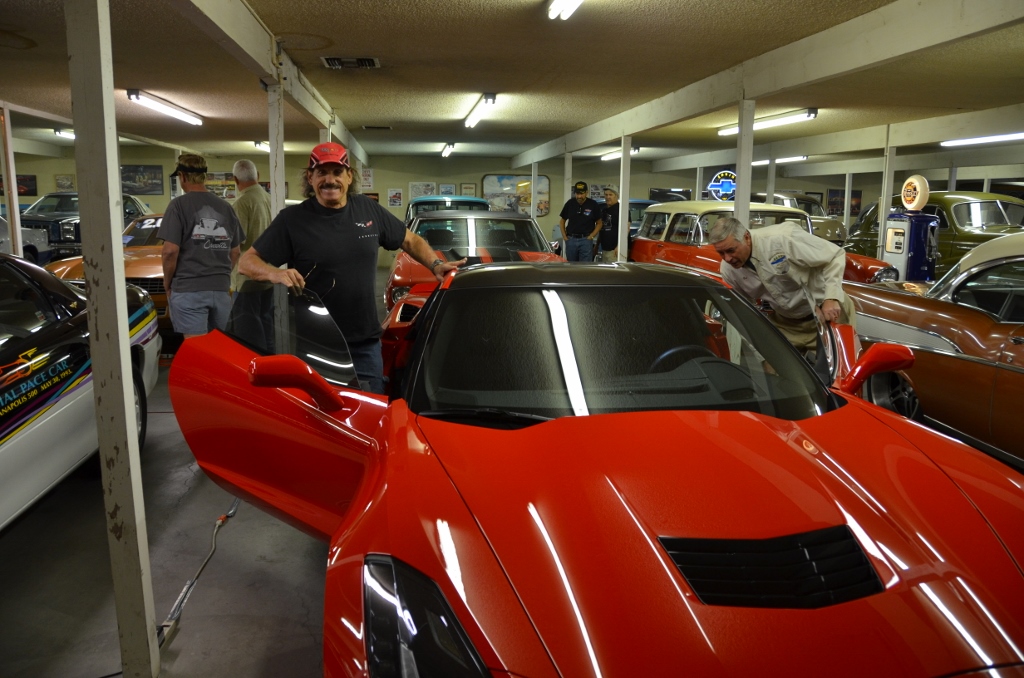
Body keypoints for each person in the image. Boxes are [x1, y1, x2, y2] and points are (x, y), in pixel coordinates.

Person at [238, 142, 464, 394]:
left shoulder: (368, 209)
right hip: (315, 345)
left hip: (364, 344)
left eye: (337, 172)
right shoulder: (292, 220)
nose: (330, 180)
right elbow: (246, 262)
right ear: (310, 178)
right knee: (317, 411)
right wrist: (275, 273)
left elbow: (410, 240)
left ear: (349, 176)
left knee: (370, 408)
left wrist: (435, 264)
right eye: (322, 173)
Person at [708, 216, 855, 354]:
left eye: (731, 250)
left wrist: (831, 298)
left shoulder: (783, 238)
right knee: (774, 369)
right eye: (721, 253)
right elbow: (744, 309)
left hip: (827, 314)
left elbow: (835, 255)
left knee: (840, 370)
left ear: (746, 238)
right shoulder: (728, 270)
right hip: (786, 323)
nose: (727, 258)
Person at [158, 153, 242, 338]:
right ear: (204, 176)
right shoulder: (225, 207)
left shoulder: (178, 205)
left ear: (182, 176)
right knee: (217, 347)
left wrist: (167, 283)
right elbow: (235, 251)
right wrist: (219, 275)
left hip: (189, 289)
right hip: (220, 290)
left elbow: (170, 251)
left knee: (197, 349)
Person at [227, 159, 274, 351]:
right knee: (267, 325)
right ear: (258, 176)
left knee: (248, 333)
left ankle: (257, 365)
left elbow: (236, 246)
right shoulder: (269, 199)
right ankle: (271, 362)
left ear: (235, 180)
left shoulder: (241, 203)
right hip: (268, 273)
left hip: (246, 278)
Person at [558, 181, 602, 262]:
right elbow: (562, 221)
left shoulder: (593, 204)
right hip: (571, 240)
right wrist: (565, 237)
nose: (579, 196)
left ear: (586, 193)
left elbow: (599, 223)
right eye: (577, 194)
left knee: (585, 266)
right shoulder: (570, 203)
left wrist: (591, 236)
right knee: (571, 265)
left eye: (582, 194)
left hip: (586, 240)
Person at [598, 185, 621, 262]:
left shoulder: (621, 209)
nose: (608, 197)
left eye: (610, 195)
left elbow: (626, 229)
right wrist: (597, 246)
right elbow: (602, 228)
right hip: (604, 249)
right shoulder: (604, 210)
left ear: (616, 196)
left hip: (614, 251)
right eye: (606, 195)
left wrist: (619, 246)